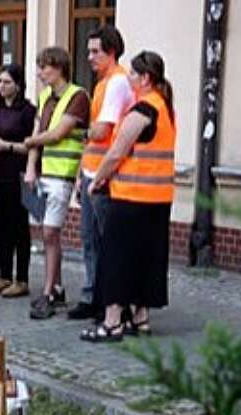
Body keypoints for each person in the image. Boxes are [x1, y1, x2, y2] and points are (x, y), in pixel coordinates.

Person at [80, 51, 176, 342]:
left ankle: (112, 322)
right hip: (157, 199)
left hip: (131, 198)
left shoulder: (142, 111)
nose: (129, 78)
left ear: (145, 78)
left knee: (116, 259)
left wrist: (97, 180)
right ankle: (140, 318)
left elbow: (116, 152)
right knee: (145, 259)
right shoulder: (164, 107)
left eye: (133, 74)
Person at [70, 25, 134, 322]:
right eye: (89, 50)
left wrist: (80, 130)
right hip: (91, 170)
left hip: (105, 174)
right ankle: (93, 294)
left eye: (96, 51)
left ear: (111, 52)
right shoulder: (102, 83)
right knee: (89, 238)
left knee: (106, 241)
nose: (90, 56)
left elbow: (102, 129)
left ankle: (111, 302)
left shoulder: (118, 82)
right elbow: (94, 135)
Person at [23, 47, 90, 320]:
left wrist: (31, 142)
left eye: (44, 67)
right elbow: (37, 134)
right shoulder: (43, 98)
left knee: (50, 233)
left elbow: (58, 134)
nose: (39, 73)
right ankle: (56, 287)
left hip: (64, 174)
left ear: (59, 67)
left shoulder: (78, 96)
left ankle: (49, 292)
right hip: (43, 175)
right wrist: (30, 166)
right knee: (46, 233)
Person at [0, 64, 37, 298]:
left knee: (19, 227)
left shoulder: (27, 111)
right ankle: (4, 275)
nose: (2, 87)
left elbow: (33, 145)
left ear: (19, 85)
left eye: (7, 82)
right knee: (1, 225)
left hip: (17, 174)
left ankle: (21, 279)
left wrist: (7, 146)